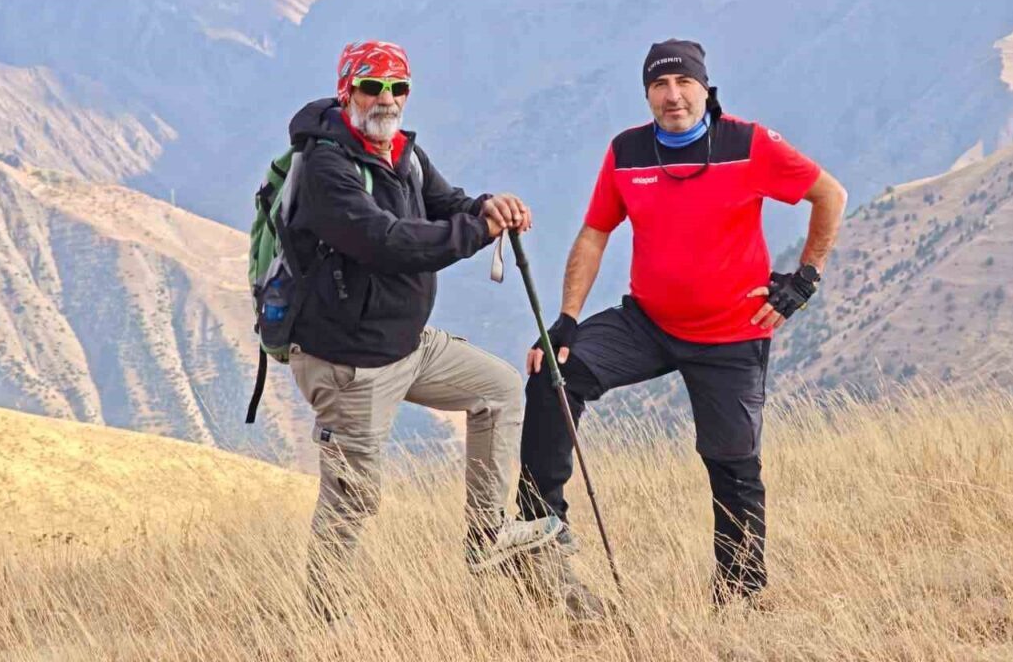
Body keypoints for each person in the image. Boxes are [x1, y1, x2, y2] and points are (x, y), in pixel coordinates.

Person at [517, 38, 848, 604]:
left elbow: (830, 195)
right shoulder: (627, 151)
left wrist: (804, 280)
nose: (673, 96)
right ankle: (538, 531)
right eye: (659, 85)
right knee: (555, 370)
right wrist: (566, 320)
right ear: (647, 93)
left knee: (732, 466)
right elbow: (596, 233)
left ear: (704, 87)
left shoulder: (749, 143)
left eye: (683, 83)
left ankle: (740, 598)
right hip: (647, 321)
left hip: (731, 332)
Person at [283, 39, 560, 620]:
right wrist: (478, 233)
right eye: (371, 86)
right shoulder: (325, 168)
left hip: (407, 344)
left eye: (398, 87)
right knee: (352, 498)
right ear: (346, 91)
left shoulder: (403, 152)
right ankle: (321, 625)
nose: (386, 99)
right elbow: (387, 244)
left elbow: (446, 202)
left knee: (500, 390)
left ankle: (487, 536)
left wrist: (489, 206)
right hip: (351, 361)